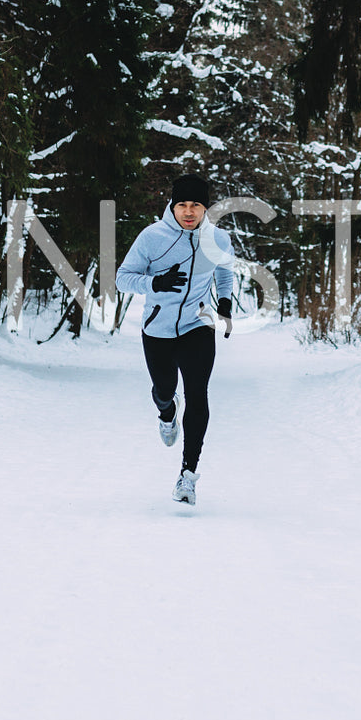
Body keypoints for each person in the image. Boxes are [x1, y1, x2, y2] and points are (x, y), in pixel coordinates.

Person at [116, 173, 234, 504]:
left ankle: (188, 476)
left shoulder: (219, 239)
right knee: (165, 391)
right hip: (158, 330)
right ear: (173, 204)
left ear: (205, 208)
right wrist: (155, 283)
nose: (188, 211)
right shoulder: (152, 237)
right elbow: (123, 278)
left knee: (198, 395)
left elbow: (225, 270)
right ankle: (166, 413)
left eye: (196, 205)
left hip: (198, 326)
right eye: (182, 204)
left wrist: (224, 302)